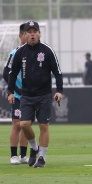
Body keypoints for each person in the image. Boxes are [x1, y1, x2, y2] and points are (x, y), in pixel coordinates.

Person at [7, 20, 63, 168]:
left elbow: (57, 72)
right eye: (29, 32)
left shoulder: (47, 50)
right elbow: (12, 74)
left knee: (43, 126)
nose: (32, 34)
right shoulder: (20, 52)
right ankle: (34, 147)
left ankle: (42, 158)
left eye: (34, 32)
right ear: (25, 35)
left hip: (44, 95)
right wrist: (10, 92)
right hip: (26, 95)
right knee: (24, 124)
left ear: (39, 33)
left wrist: (59, 91)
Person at [2, 23, 29, 165]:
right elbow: (6, 73)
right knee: (17, 124)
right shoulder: (15, 53)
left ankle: (23, 155)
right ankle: (13, 155)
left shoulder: (34, 53)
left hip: (31, 95)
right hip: (18, 95)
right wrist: (14, 90)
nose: (30, 35)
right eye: (26, 33)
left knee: (26, 124)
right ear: (21, 35)